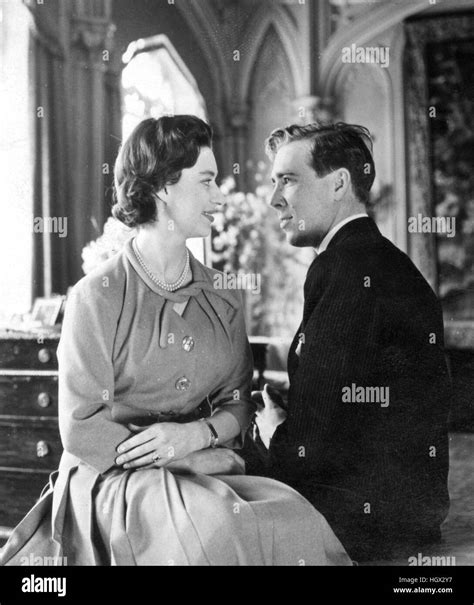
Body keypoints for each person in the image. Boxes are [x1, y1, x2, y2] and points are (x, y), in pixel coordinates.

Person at [0, 115, 351, 566]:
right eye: (207, 181)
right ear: (164, 187)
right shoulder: (95, 297)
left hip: (205, 464)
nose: (220, 197)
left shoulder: (222, 294)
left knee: (296, 518)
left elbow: (239, 404)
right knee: (217, 531)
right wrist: (179, 457)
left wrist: (194, 437)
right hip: (116, 479)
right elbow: (82, 430)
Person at [248, 122, 451, 563]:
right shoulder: (379, 260)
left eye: (289, 179)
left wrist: (270, 430)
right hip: (406, 511)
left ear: (339, 182)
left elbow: (309, 452)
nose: (275, 198)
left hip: (366, 524)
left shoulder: (345, 269)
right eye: (274, 182)